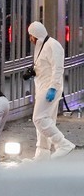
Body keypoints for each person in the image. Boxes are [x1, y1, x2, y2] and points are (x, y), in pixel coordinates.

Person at [28, 21, 75, 160]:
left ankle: (63, 144)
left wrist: (53, 88)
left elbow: (58, 68)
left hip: (49, 88)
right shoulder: (42, 46)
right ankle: (42, 154)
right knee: (46, 120)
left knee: (39, 118)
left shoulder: (53, 45)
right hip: (43, 87)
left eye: (31, 36)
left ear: (36, 35)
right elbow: (44, 66)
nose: (30, 39)